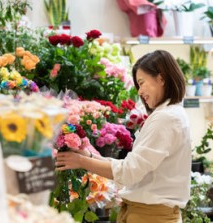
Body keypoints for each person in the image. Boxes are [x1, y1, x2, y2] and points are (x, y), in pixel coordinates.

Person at [56, 50, 191, 223]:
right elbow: (133, 166)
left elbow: (129, 172)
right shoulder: (171, 114)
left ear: (161, 78)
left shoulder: (166, 118)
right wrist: (89, 156)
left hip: (150, 217)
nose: (140, 91)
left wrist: (81, 162)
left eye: (142, 83)